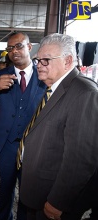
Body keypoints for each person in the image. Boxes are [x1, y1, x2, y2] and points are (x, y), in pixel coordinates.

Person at [20, 33, 98, 220]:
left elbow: (80, 159)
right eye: (38, 60)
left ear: (68, 61)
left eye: (45, 60)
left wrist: (58, 201)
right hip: (38, 192)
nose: (38, 64)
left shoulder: (84, 93)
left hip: (52, 199)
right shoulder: (53, 88)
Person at [0, 32, 46, 220]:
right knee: (6, 188)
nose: (14, 51)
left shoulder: (43, 75)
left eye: (18, 46)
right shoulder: (1, 74)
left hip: (33, 146)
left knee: (28, 192)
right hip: (7, 145)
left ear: (29, 47)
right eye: (10, 48)